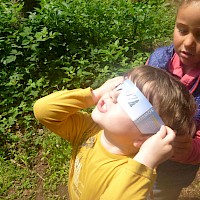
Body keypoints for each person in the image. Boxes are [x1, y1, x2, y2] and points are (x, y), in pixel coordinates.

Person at [34, 65, 196, 200]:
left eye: (131, 100)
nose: (113, 95)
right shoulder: (88, 130)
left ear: (147, 138)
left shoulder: (134, 178)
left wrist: (146, 159)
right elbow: (43, 111)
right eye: (121, 87)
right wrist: (94, 94)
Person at [146, 0, 200, 199]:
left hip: (173, 170)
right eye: (182, 30)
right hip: (139, 154)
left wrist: (190, 149)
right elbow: (139, 90)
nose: (188, 43)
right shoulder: (158, 59)